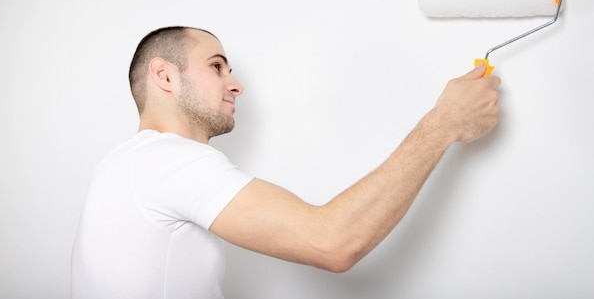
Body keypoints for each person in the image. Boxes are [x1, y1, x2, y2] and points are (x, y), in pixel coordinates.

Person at [71, 26, 501, 299]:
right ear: (164, 76)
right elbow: (332, 242)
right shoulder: (169, 161)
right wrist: (442, 124)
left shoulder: (124, 163)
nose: (235, 85)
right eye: (216, 66)